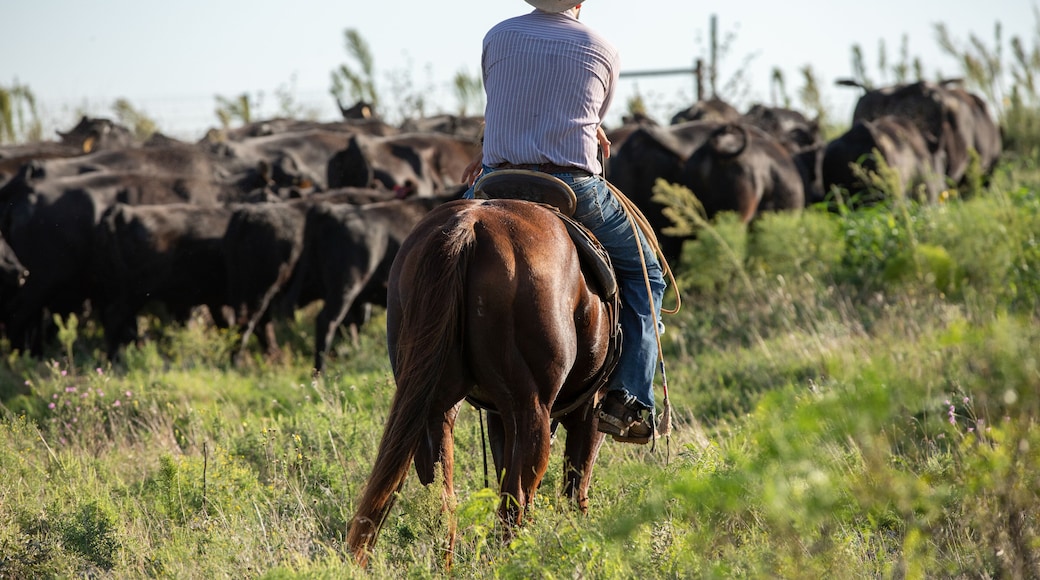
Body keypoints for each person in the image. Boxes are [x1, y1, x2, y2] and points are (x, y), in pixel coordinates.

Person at [460, 0, 666, 444]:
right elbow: (589, 110)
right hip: (572, 185)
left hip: (498, 180)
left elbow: (503, 100)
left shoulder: (498, 35)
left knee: (439, 251)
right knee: (646, 275)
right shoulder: (601, 47)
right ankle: (628, 398)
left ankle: (426, 374)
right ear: (580, 1)